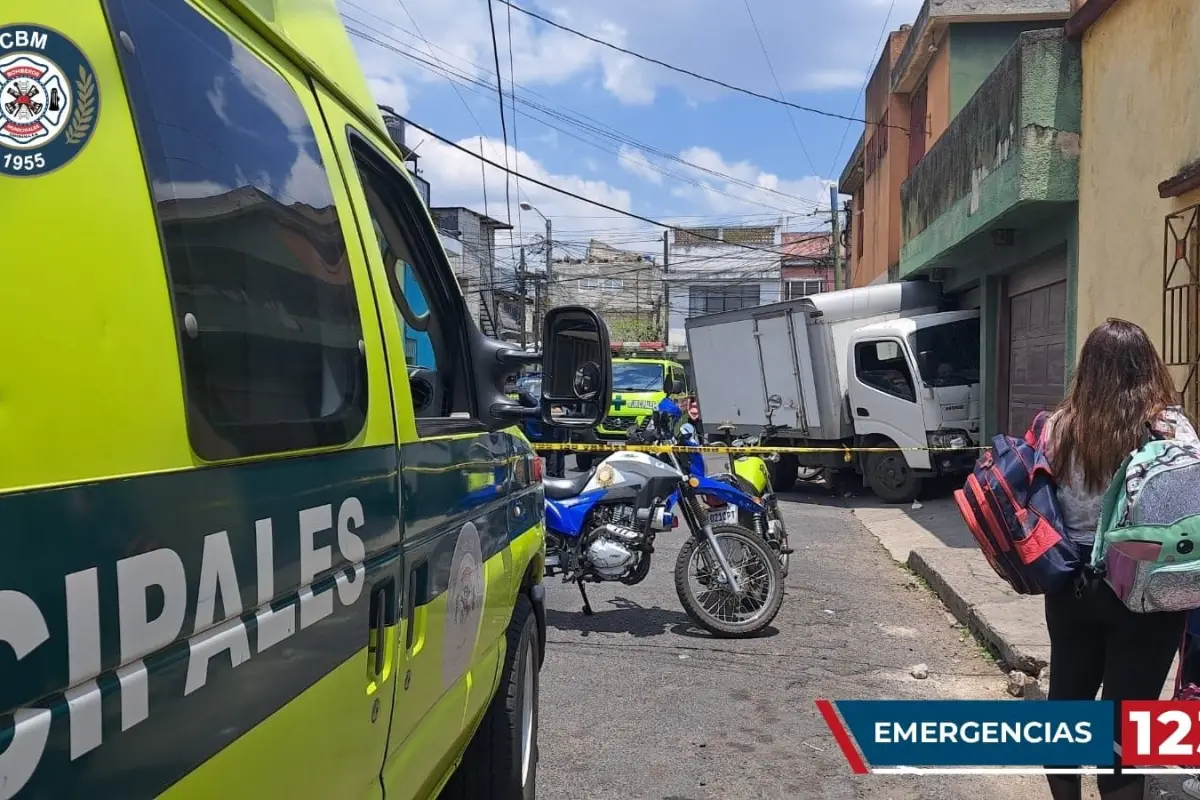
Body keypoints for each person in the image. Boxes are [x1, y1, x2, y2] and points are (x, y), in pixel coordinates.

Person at [1041, 319, 1200, 800]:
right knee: (1126, 735)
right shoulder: (1172, 427)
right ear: (1147, 366)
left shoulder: (1060, 426)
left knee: (1065, 716)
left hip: (1073, 587)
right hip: (1149, 593)